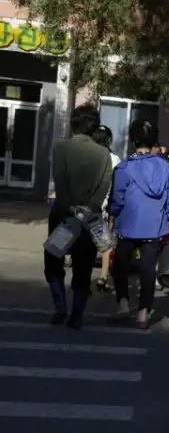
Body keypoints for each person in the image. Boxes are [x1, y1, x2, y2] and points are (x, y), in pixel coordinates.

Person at [44, 104, 113, 329]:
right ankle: (77, 315)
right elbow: (103, 189)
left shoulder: (61, 149)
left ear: (72, 123)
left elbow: (61, 185)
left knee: (53, 261)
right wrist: (87, 210)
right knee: (83, 268)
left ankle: (60, 307)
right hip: (89, 220)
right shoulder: (103, 154)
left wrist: (69, 211)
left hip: (63, 216)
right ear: (94, 126)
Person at [108, 119, 169, 329]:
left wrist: (112, 216)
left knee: (119, 264)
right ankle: (143, 313)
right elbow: (168, 198)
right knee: (148, 269)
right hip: (154, 226)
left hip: (128, 225)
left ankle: (123, 302)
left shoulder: (124, 167)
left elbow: (117, 198)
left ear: (133, 140)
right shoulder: (166, 167)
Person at [91, 125, 121, 291]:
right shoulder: (114, 160)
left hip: (82, 206)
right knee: (106, 244)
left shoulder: (86, 156)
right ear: (109, 140)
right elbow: (117, 186)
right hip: (102, 208)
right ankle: (103, 276)